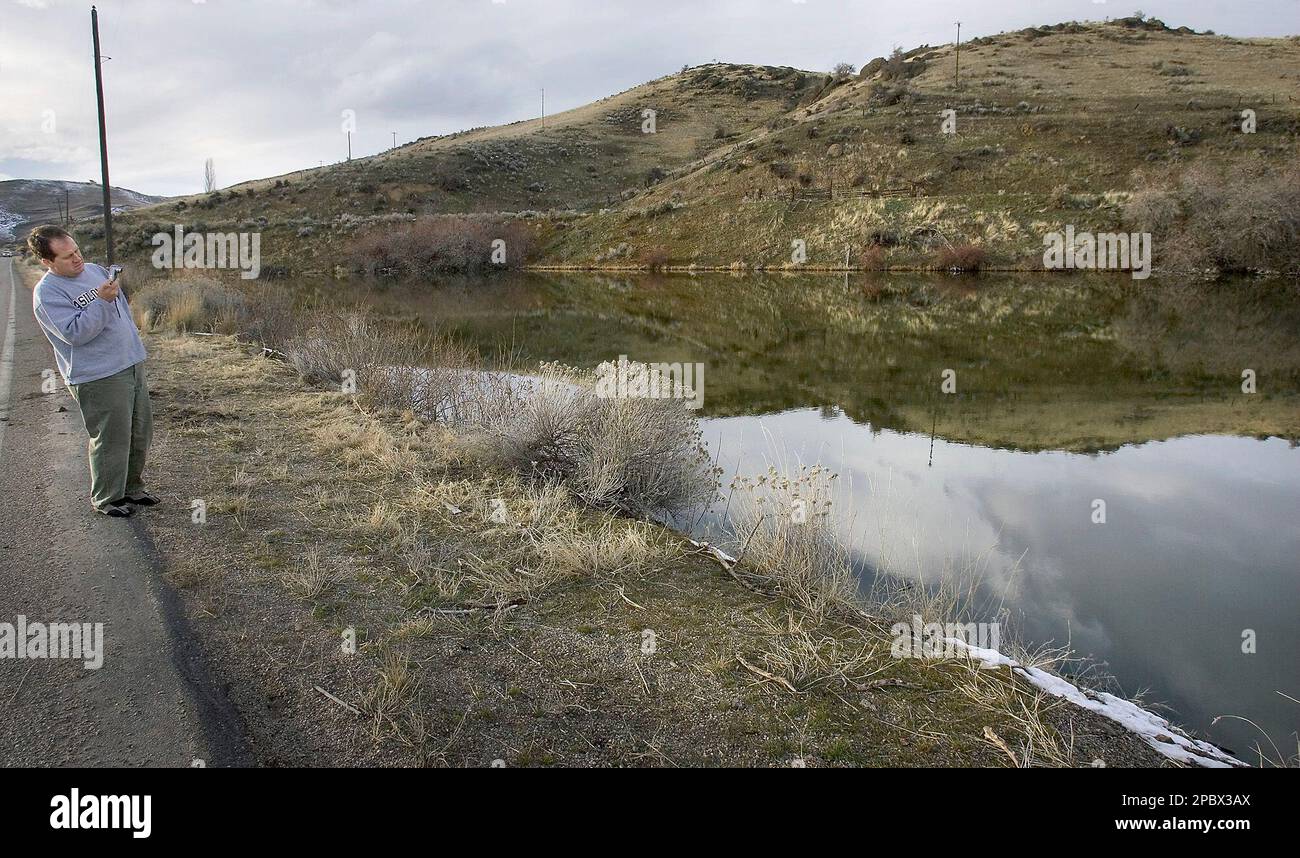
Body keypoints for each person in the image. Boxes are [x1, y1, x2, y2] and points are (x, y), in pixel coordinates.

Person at [28, 225, 157, 517]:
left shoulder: (96, 271)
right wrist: (101, 301)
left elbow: (120, 310)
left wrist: (134, 344)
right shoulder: (46, 294)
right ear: (47, 262)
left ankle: (132, 489)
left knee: (139, 431)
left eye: (77, 251)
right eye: (67, 256)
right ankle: (107, 498)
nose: (77, 259)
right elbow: (75, 333)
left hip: (129, 362)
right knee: (111, 437)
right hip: (97, 375)